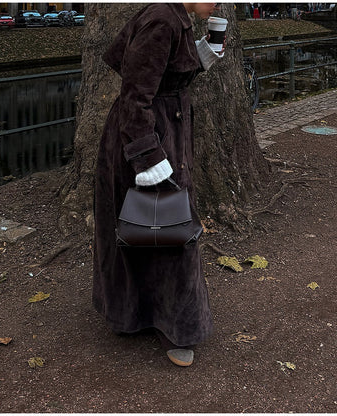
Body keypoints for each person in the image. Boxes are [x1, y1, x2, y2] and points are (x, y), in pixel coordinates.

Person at [92, 3, 225, 367]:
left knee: (159, 225)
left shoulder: (172, 19)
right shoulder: (161, 21)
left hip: (163, 130)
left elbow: (161, 74)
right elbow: (135, 95)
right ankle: (172, 328)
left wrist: (201, 54)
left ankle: (139, 315)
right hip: (147, 137)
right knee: (167, 228)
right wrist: (148, 158)